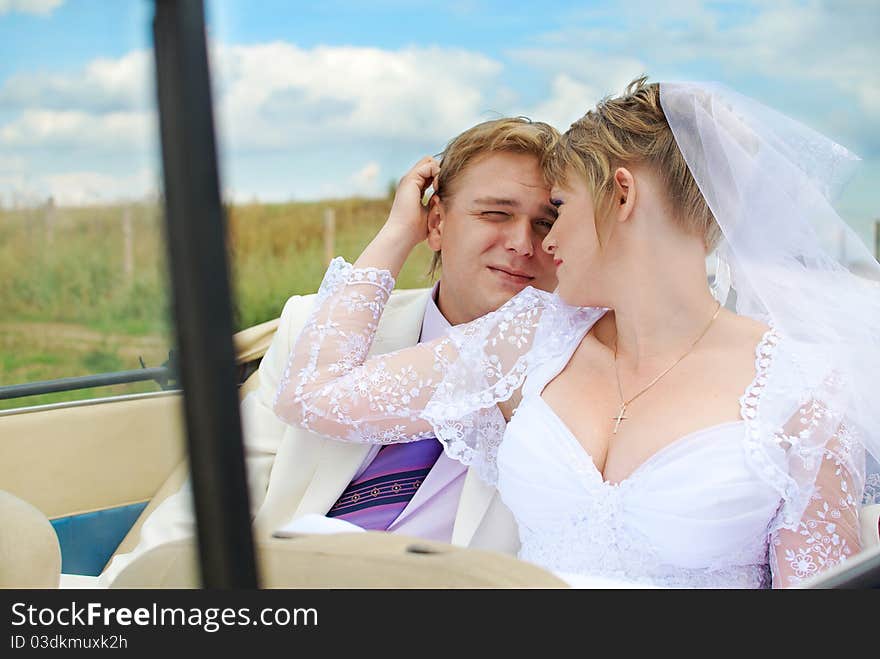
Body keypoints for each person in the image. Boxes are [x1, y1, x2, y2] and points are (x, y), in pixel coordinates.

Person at [273, 77, 880, 588]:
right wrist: (398, 233)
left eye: (557, 209)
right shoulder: (530, 338)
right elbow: (311, 395)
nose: (542, 243)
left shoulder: (801, 391)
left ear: (621, 195)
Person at [98, 117, 562, 586]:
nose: (523, 243)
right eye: (496, 214)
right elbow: (219, 493)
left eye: (545, 223)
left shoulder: (568, 366)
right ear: (437, 223)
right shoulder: (318, 333)